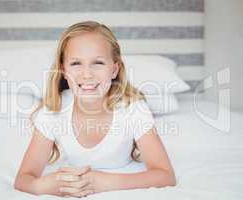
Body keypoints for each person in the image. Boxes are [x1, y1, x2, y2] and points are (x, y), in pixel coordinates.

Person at [14, 21, 176, 198]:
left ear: (114, 70)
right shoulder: (54, 110)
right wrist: (45, 185)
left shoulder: (133, 108)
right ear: (63, 70)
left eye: (97, 62)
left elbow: (165, 175)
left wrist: (105, 182)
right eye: (76, 63)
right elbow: (23, 179)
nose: (87, 74)